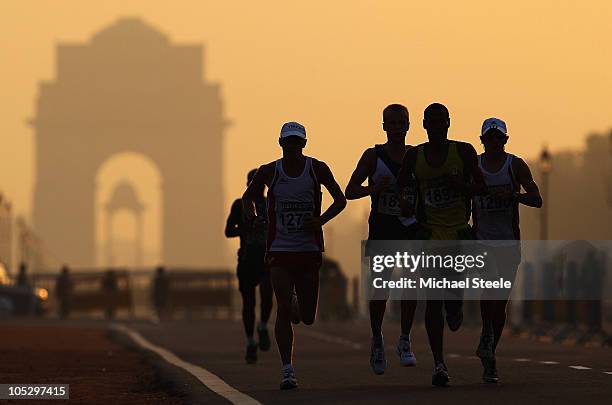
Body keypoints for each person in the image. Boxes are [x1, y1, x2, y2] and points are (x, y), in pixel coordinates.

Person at [243, 121, 346, 390]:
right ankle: (287, 369)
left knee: (307, 316)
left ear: (303, 143)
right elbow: (248, 197)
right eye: (288, 142)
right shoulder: (269, 171)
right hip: (279, 249)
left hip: (308, 249)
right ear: (281, 144)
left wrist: (320, 220)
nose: (292, 146)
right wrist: (253, 217)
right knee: (283, 307)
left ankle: (298, 303)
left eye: (296, 142)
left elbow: (341, 199)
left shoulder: (317, 168)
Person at [397, 103, 487, 386]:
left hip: (459, 233)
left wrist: (460, 185)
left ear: (448, 124)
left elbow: (481, 187)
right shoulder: (415, 156)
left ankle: (456, 303)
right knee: (432, 301)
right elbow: (402, 186)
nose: (435, 127)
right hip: (429, 235)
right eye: (431, 122)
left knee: (452, 304)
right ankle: (439, 364)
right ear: (424, 125)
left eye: (440, 122)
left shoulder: (463, 151)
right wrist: (406, 202)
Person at [345, 104, 418, 374]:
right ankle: (377, 340)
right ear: (384, 126)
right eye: (393, 123)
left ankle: (404, 339)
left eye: (402, 123)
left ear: (409, 125)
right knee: (380, 290)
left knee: (412, 285)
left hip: (410, 229)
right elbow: (350, 191)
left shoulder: (416, 155)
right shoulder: (373, 156)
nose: (398, 127)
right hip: (382, 229)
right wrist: (374, 188)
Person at [473, 117, 542, 383]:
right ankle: (487, 337)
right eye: (489, 139)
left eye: (498, 138)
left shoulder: (515, 165)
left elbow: (537, 199)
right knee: (487, 292)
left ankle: (489, 350)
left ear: (505, 140)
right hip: (481, 241)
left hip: (508, 242)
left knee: (500, 302)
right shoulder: (474, 167)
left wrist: (514, 196)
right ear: (482, 141)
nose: (494, 143)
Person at [225, 169, 273, 364]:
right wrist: (247, 227)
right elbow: (228, 231)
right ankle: (250, 341)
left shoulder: (271, 205)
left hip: (266, 258)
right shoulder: (239, 206)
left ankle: (261, 327)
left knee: (268, 295)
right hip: (247, 259)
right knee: (249, 303)